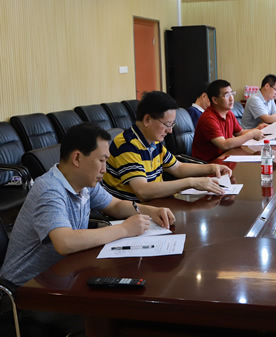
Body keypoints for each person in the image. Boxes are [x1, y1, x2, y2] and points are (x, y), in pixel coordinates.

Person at [0, 123, 175, 335]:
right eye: (101, 160)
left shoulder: (83, 184)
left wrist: (150, 210)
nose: (105, 169)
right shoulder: (49, 190)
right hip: (25, 294)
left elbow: (115, 205)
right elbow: (65, 242)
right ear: (77, 158)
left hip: (60, 277)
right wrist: (125, 229)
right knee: (115, 318)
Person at [103, 91, 232, 202]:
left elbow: (178, 168)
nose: (170, 131)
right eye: (167, 124)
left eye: (172, 125)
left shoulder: (153, 142)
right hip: (133, 214)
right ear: (147, 120)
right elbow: (143, 191)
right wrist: (191, 182)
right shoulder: (127, 145)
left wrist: (211, 168)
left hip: (156, 205)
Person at [192, 79, 265, 161]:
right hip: (210, 163)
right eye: (227, 95)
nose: (231, 98)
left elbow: (240, 133)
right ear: (215, 100)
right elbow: (224, 145)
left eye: (232, 94)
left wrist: (258, 129)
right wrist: (251, 135)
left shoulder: (229, 114)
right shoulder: (208, 118)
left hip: (226, 157)